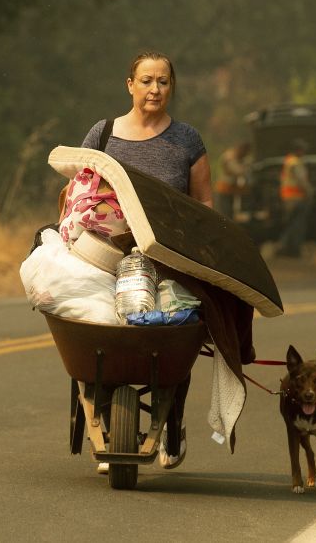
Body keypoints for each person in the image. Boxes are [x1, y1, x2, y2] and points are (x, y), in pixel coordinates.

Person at [79, 51, 217, 472]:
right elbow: (80, 192)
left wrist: (204, 250)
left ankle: (172, 422)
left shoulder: (186, 140)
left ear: (171, 87)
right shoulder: (103, 135)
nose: (155, 89)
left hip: (170, 257)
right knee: (99, 330)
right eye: (146, 81)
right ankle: (104, 424)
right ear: (129, 84)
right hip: (108, 255)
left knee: (178, 331)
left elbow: (204, 202)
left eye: (163, 82)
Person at [277, 139, 313, 257]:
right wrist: (310, 192)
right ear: (298, 150)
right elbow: (302, 180)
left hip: (287, 198)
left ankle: (284, 248)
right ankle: (293, 250)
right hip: (296, 198)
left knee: (289, 223)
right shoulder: (296, 163)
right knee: (297, 225)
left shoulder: (288, 160)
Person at [214, 142, 251, 218]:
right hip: (224, 189)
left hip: (230, 189)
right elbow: (237, 171)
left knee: (230, 214)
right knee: (224, 214)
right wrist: (246, 167)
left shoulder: (235, 156)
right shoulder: (230, 156)